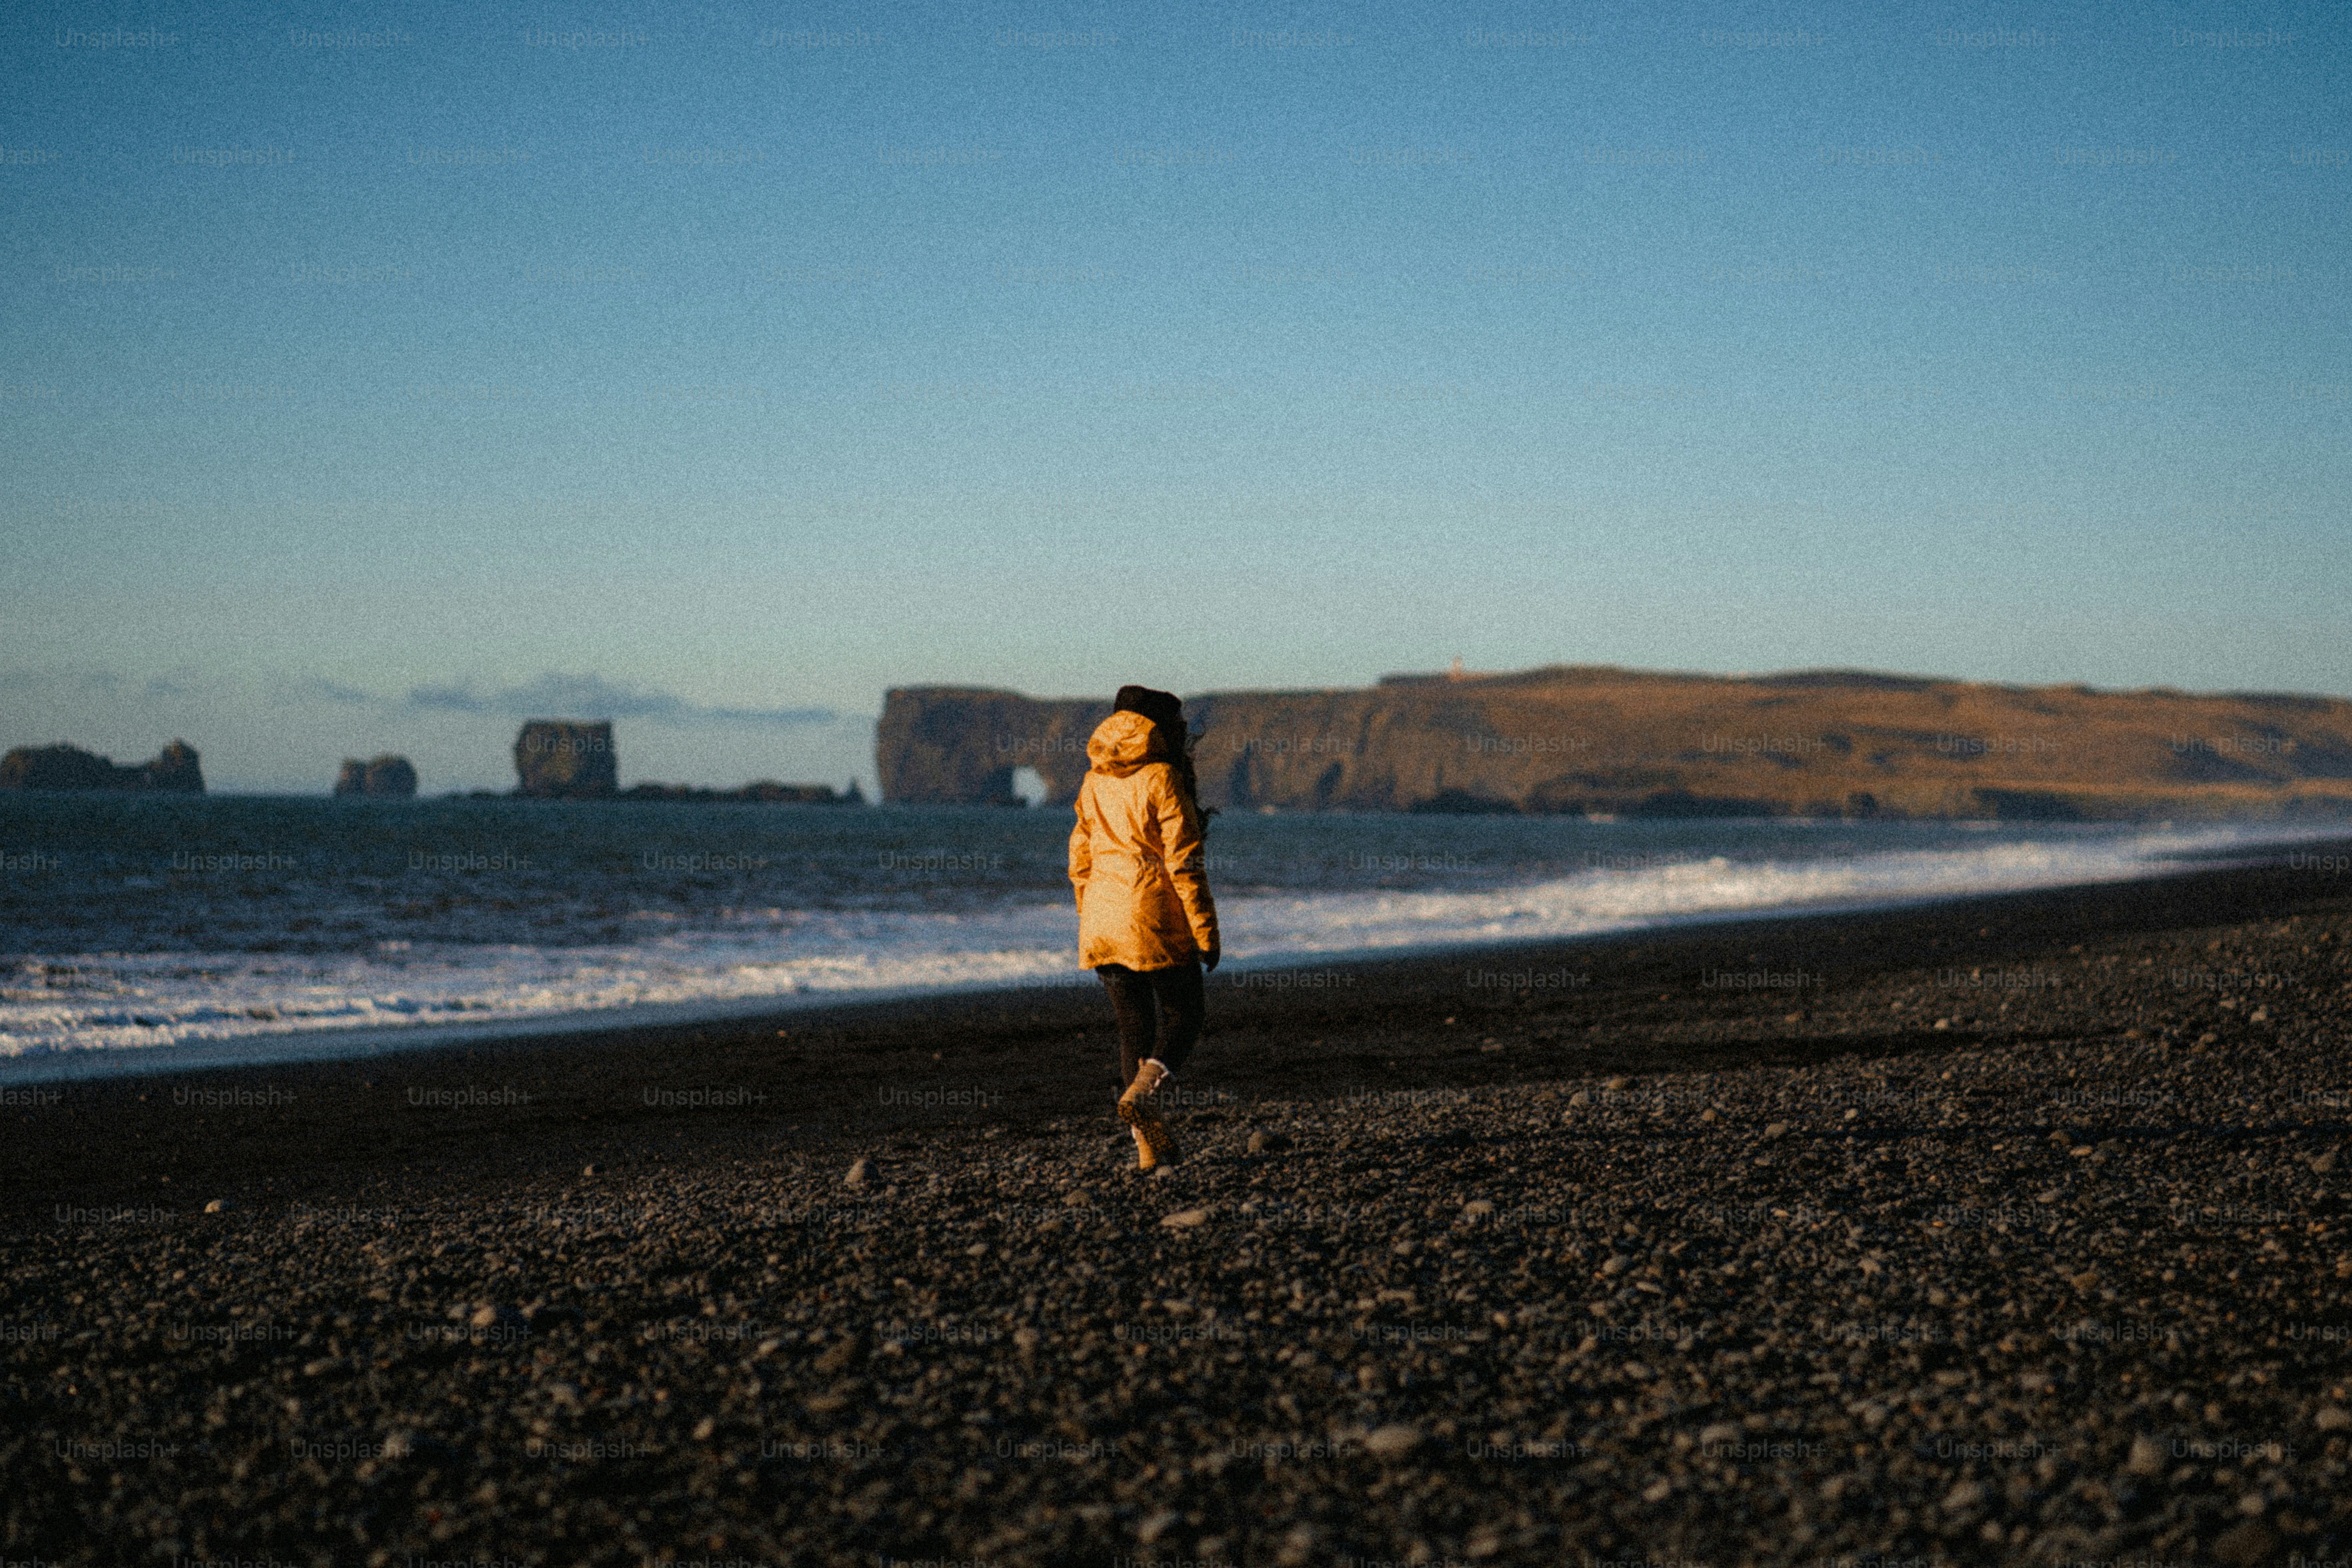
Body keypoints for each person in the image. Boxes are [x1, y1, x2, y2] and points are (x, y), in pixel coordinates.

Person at [1067, 685, 1220, 1171]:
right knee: (1185, 1015)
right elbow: (1185, 865)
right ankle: (1145, 1096)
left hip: (1102, 920)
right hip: (1153, 917)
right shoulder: (1162, 777)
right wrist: (1206, 931)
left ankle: (1148, 1149)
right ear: (1162, 729)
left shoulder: (1094, 781)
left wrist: (1089, 917)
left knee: (1133, 1029)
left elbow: (1079, 861)